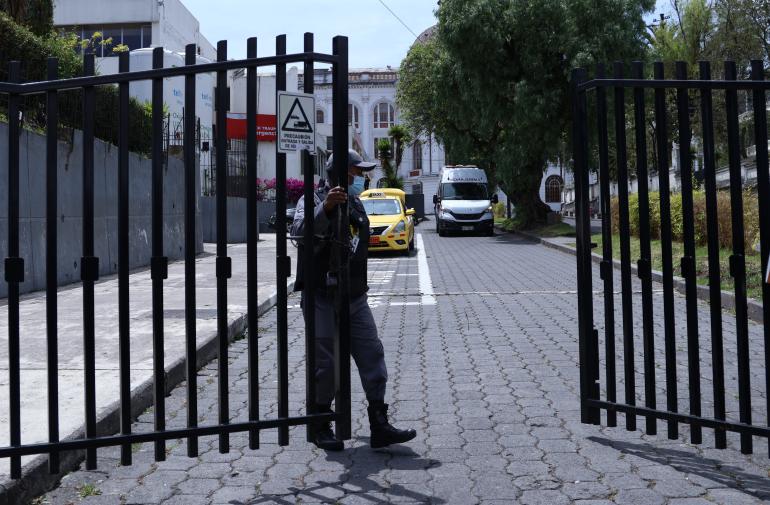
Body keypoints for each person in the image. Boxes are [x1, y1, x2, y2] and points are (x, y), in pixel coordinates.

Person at [291, 149, 417, 451]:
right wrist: (327, 210)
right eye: (357, 173)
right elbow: (298, 233)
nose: (361, 178)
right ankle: (321, 423)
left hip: (354, 296)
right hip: (321, 294)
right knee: (325, 363)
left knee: (372, 353)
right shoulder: (312, 200)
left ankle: (379, 425)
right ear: (341, 173)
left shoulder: (357, 202)